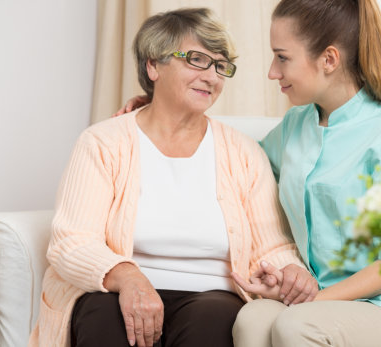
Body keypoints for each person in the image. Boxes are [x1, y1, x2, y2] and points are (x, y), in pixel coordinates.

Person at [117, 1, 381, 346]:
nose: (273, 72)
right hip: (321, 301)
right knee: (252, 320)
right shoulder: (297, 125)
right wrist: (161, 111)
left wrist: (314, 302)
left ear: (329, 60)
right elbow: (234, 157)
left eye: (282, 57)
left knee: (296, 325)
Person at [28, 8, 313, 347]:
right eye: (197, 60)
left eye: (221, 66)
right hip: (118, 289)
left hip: (213, 294)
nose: (212, 77)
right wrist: (128, 277)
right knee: (105, 318)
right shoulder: (103, 142)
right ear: (153, 66)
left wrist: (290, 272)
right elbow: (71, 241)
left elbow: (272, 245)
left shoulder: (244, 152)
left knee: (214, 321)